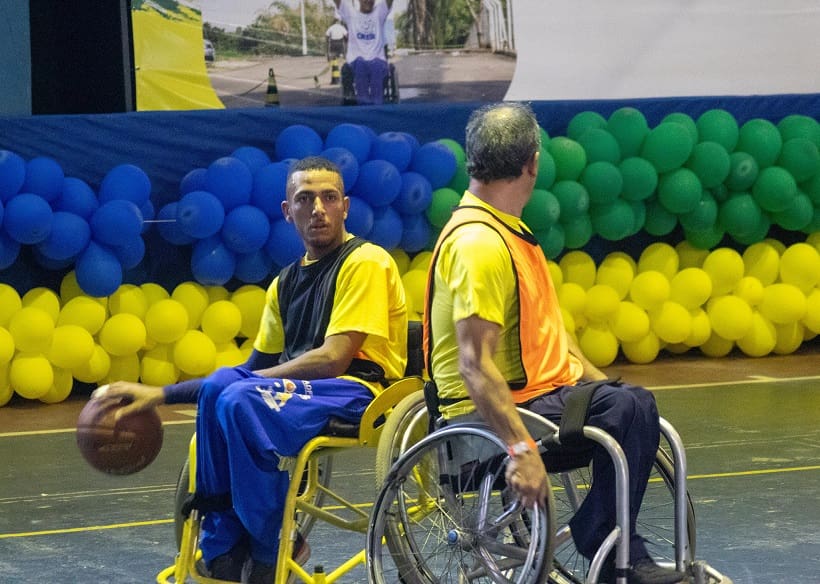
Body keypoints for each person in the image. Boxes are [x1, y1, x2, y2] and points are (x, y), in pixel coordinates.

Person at [94, 156, 408, 583]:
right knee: (225, 386)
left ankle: (273, 541)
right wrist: (160, 394)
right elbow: (251, 369)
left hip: (359, 389)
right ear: (287, 211)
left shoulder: (365, 261)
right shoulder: (284, 282)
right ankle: (222, 546)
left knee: (237, 394)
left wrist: (243, 384)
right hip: (299, 393)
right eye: (305, 199)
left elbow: (333, 358)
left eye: (329, 197)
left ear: (345, 207)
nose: (318, 208)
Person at [422, 103, 686, 584]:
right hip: (485, 417)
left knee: (630, 404)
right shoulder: (480, 243)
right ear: (533, 163)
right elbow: (474, 367)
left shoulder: (506, 230)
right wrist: (521, 451)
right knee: (628, 409)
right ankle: (604, 539)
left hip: (537, 394)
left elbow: (554, 339)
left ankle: (610, 540)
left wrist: (603, 385)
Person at [332, 0, 393, 105]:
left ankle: (377, 107)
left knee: (376, 65)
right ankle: (364, 108)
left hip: (377, 60)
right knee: (360, 64)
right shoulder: (350, 13)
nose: (368, 1)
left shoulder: (379, 12)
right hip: (356, 62)